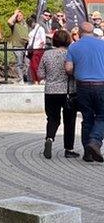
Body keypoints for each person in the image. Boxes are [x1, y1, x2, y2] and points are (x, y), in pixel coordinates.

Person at [65, 22, 104, 163]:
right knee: (102, 116)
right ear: (93, 31)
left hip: (82, 87)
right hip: (101, 85)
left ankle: (88, 153)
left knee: (87, 118)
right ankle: (95, 142)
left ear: (80, 32)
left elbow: (68, 68)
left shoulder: (74, 47)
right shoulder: (102, 45)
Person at [38, 30, 78, 160]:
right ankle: (69, 149)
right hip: (68, 91)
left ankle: (49, 138)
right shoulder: (70, 53)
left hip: (50, 91)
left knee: (52, 118)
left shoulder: (47, 54)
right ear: (67, 40)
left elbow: (40, 74)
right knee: (69, 121)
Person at [8, 9, 29, 83]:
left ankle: (26, 77)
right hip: (17, 46)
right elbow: (9, 21)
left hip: (26, 47)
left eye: (20, 15)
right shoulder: (14, 25)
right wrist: (15, 13)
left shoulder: (26, 25)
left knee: (27, 64)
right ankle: (20, 79)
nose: (19, 17)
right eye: (17, 16)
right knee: (19, 63)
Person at [26, 15, 47, 83]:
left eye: (30, 23)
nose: (30, 25)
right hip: (32, 50)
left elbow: (43, 41)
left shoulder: (40, 29)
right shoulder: (33, 30)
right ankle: (35, 80)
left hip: (38, 50)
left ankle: (39, 79)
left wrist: (39, 48)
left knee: (36, 65)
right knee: (32, 66)